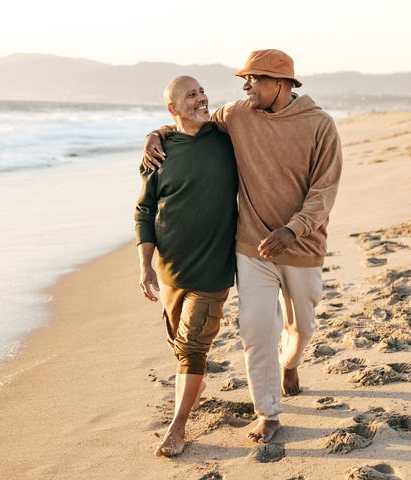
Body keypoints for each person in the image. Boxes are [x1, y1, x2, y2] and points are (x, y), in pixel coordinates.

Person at [143, 49, 343, 444]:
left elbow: (325, 191)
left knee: (301, 328)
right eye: (244, 81)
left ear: (281, 84)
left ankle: (291, 363)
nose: (245, 87)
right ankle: (267, 412)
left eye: (254, 80)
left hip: (302, 247)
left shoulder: (320, 125)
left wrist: (293, 229)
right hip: (252, 246)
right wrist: (157, 133)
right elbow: (190, 121)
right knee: (255, 330)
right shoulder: (237, 114)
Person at [134, 75, 237, 457]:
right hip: (170, 269)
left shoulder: (227, 138)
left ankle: (177, 429)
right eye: (190, 95)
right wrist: (145, 265)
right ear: (172, 109)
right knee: (180, 346)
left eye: (202, 91)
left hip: (213, 267)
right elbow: (144, 211)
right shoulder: (158, 152)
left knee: (194, 347)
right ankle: (195, 384)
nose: (201, 98)